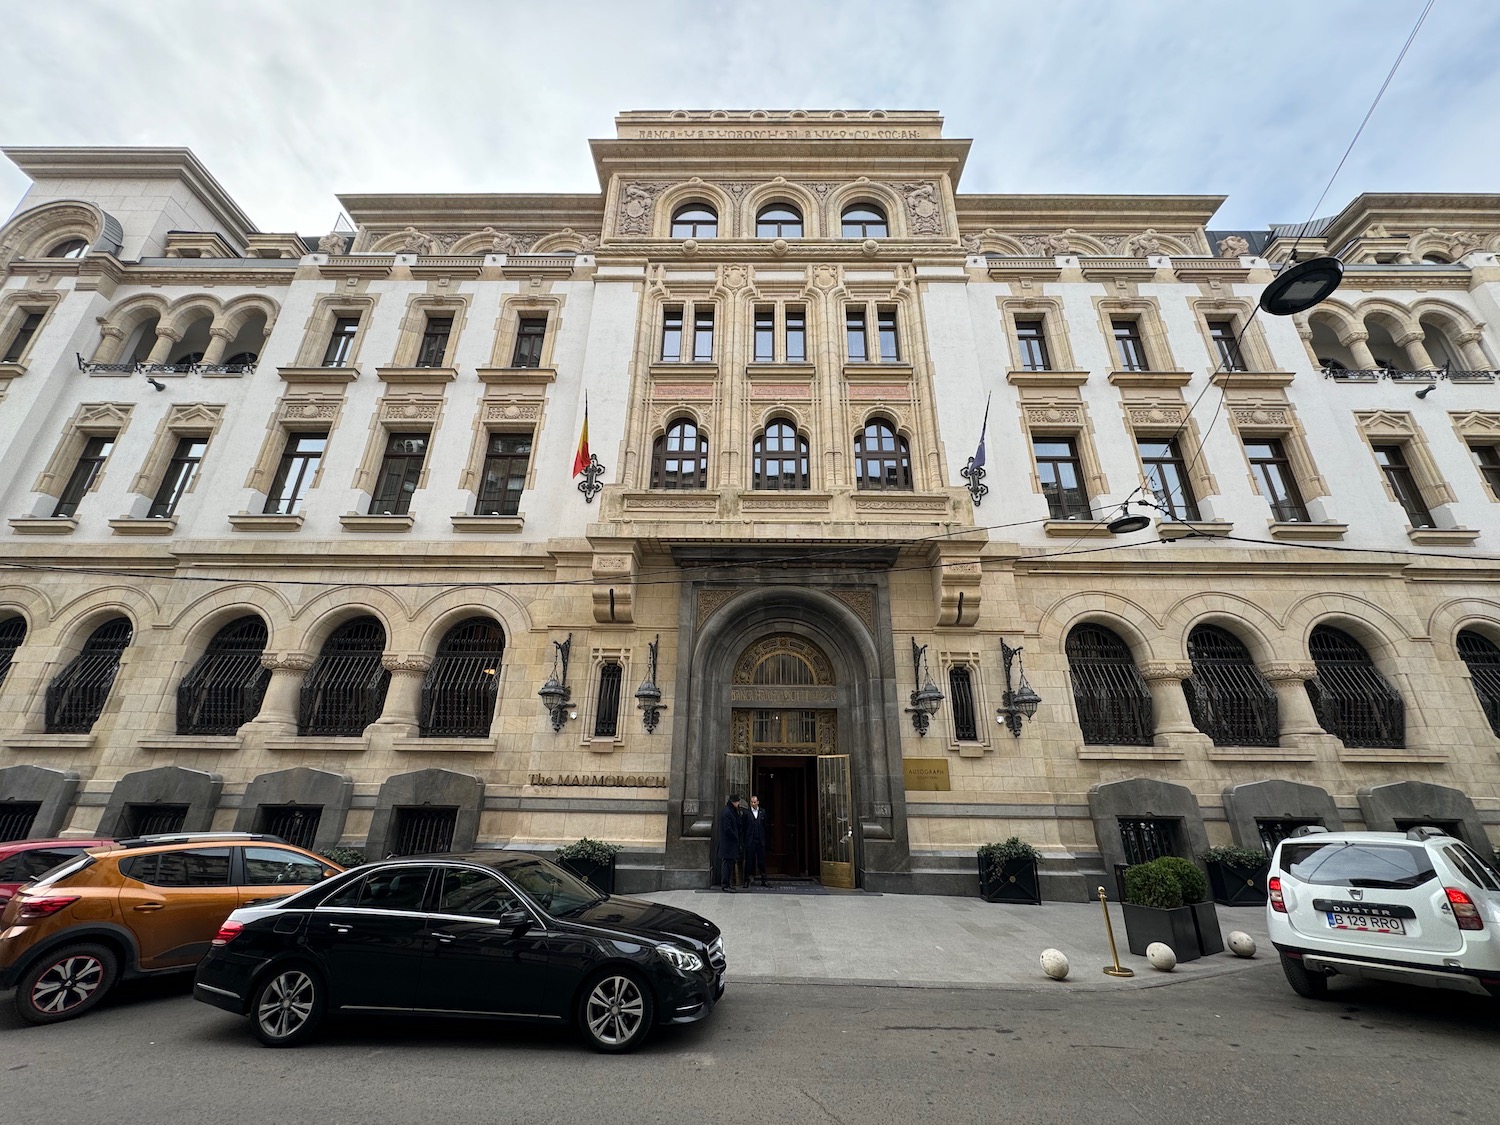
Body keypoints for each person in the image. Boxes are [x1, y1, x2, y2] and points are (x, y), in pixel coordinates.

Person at [717, 794, 743, 892]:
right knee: (726, 864)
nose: (738, 803)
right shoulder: (727, 812)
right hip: (728, 844)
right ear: (733, 802)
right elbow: (727, 829)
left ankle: (727, 883)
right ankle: (725, 885)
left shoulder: (731, 811)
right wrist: (735, 837)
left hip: (730, 844)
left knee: (728, 864)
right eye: (737, 802)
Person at [743, 794, 769, 888]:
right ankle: (746, 880)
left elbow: (765, 826)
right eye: (751, 802)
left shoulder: (763, 812)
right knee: (749, 861)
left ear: (758, 802)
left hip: (760, 840)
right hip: (750, 841)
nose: (753, 804)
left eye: (755, 802)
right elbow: (744, 826)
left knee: (761, 861)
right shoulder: (746, 813)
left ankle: (764, 880)